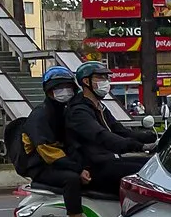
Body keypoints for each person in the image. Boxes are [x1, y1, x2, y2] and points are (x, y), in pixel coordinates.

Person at [18, 66, 93, 217]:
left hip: (62, 161)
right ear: (49, 91)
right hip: (42, 166)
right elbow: (48, 152)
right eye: (58, 88)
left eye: (68, 87)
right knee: (71, 180)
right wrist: (77, 169)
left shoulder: (67, 112)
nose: (64, 91)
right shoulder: (40, 116)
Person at [65, 61, 153, 196]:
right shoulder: (78, 112)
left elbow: (120, 130)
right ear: (86, 81)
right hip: (94, 167)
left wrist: (150, 138)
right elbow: (102, 136)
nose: (105, 81)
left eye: (106, 78)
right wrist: (140, 147)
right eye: (100, 77)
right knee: (145, 173)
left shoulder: (100, 106)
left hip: (109, 160)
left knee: (152, 164)